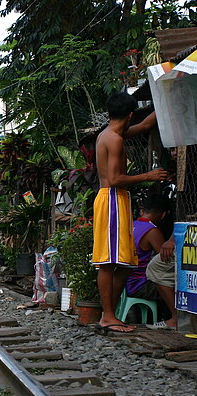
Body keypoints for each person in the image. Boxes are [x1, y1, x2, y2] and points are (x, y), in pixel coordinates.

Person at [93, 92, 168, 333]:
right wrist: (148, 175)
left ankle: (110, 314)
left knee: (125, 263)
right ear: (130, 114)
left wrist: (167, 99)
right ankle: (108, 316)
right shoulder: (113, 139)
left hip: (118, 201)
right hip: (113, 198)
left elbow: (146, 125)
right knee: (109, 262)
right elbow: (114, 179)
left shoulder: (114, 133)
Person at [125, 196, 177, 329]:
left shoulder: (132, 225)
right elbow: (165, 258)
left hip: (127, 283)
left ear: (142, 211)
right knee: (173, 282)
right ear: (163, 214)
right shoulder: (152, 231)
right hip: (140, 285)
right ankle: (176, 318)